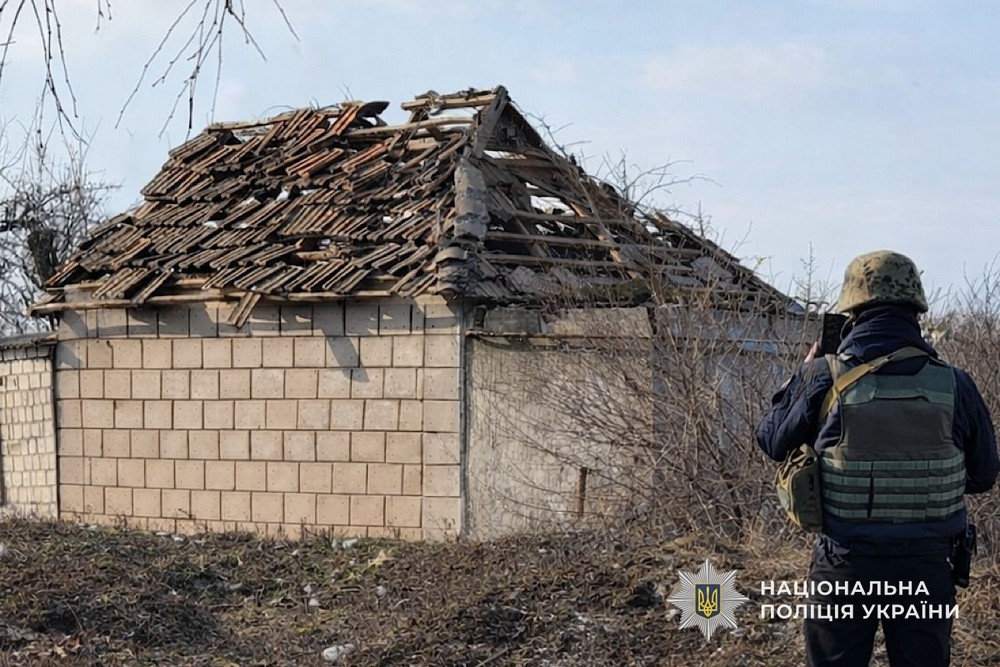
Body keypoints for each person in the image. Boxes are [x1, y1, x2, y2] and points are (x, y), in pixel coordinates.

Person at [755, 250, 999, 667]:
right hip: (927, 567)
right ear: (916, 312)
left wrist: (801, 375)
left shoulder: (823, 375)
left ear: (851, 313)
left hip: (845, 565)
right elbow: (983, 475)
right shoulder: (955, 383)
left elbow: (772, 440)